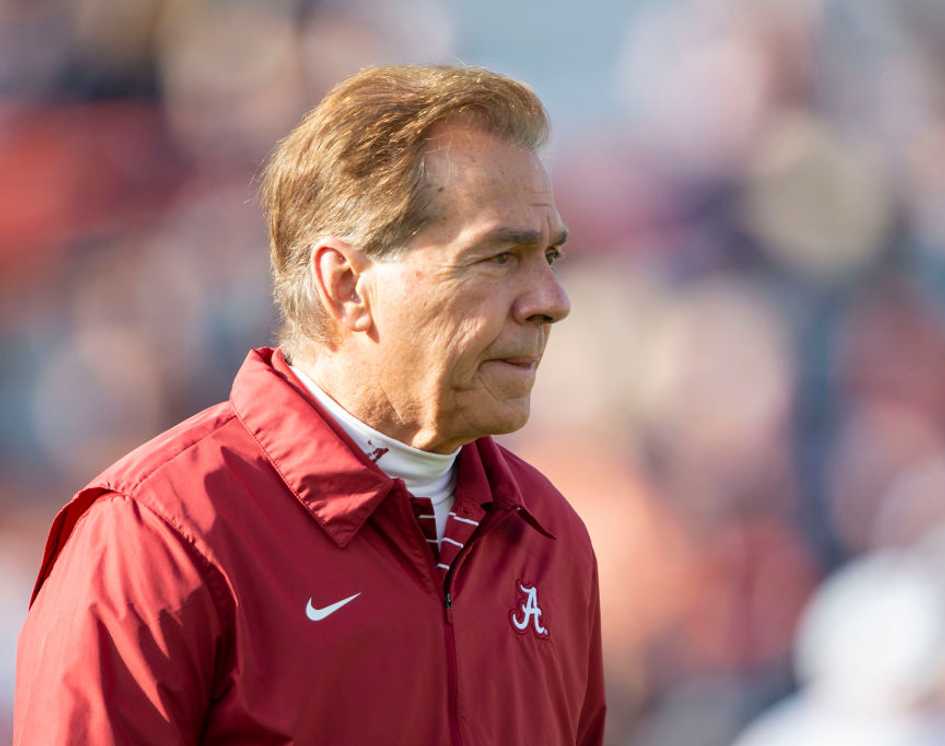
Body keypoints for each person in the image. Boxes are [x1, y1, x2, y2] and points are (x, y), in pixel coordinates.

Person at [14, 65, 605, 746]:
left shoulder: (550, 539)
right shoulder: (159, 535)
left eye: (550, 256)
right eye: (500, 257)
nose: (551, 301)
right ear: (346, 283)